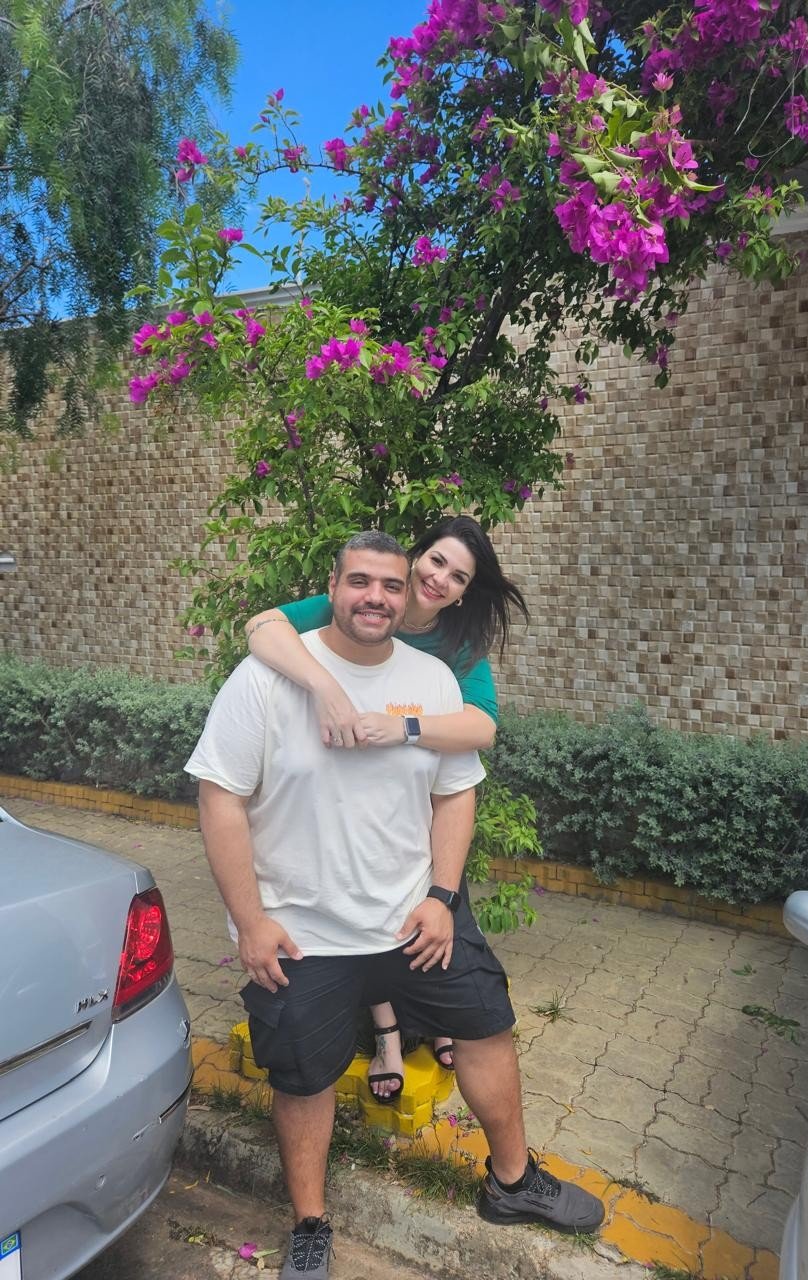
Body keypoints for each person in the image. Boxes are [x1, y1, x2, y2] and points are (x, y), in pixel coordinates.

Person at [186, 532, 604, 1278]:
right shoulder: (266, 677)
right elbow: (220, 797)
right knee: (303, 1075)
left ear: (407, 594)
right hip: (302, 933)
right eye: (360, 582)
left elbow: (456, 793)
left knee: (487, 1024)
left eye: (388, 585)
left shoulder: (436, 678)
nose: (374, 597)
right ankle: (310, 1223)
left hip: (415, 918)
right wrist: (250, 922)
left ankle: (512, 1184)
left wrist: (443, 896)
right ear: (332, 587)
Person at [243, 515, 528, 1100]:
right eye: (437, 561)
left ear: (464, 592)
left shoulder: (456, 645)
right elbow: (261, 628)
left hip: (414, 814)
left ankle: (444, 1024)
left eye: (458, 576)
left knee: (434, 937)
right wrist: (325, 688)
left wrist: (405, 728)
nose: (440, 579)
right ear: (415, 558)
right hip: (336, 813)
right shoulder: (364, 604)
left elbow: (482, 726)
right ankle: (388, 1040)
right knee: (361, 926)